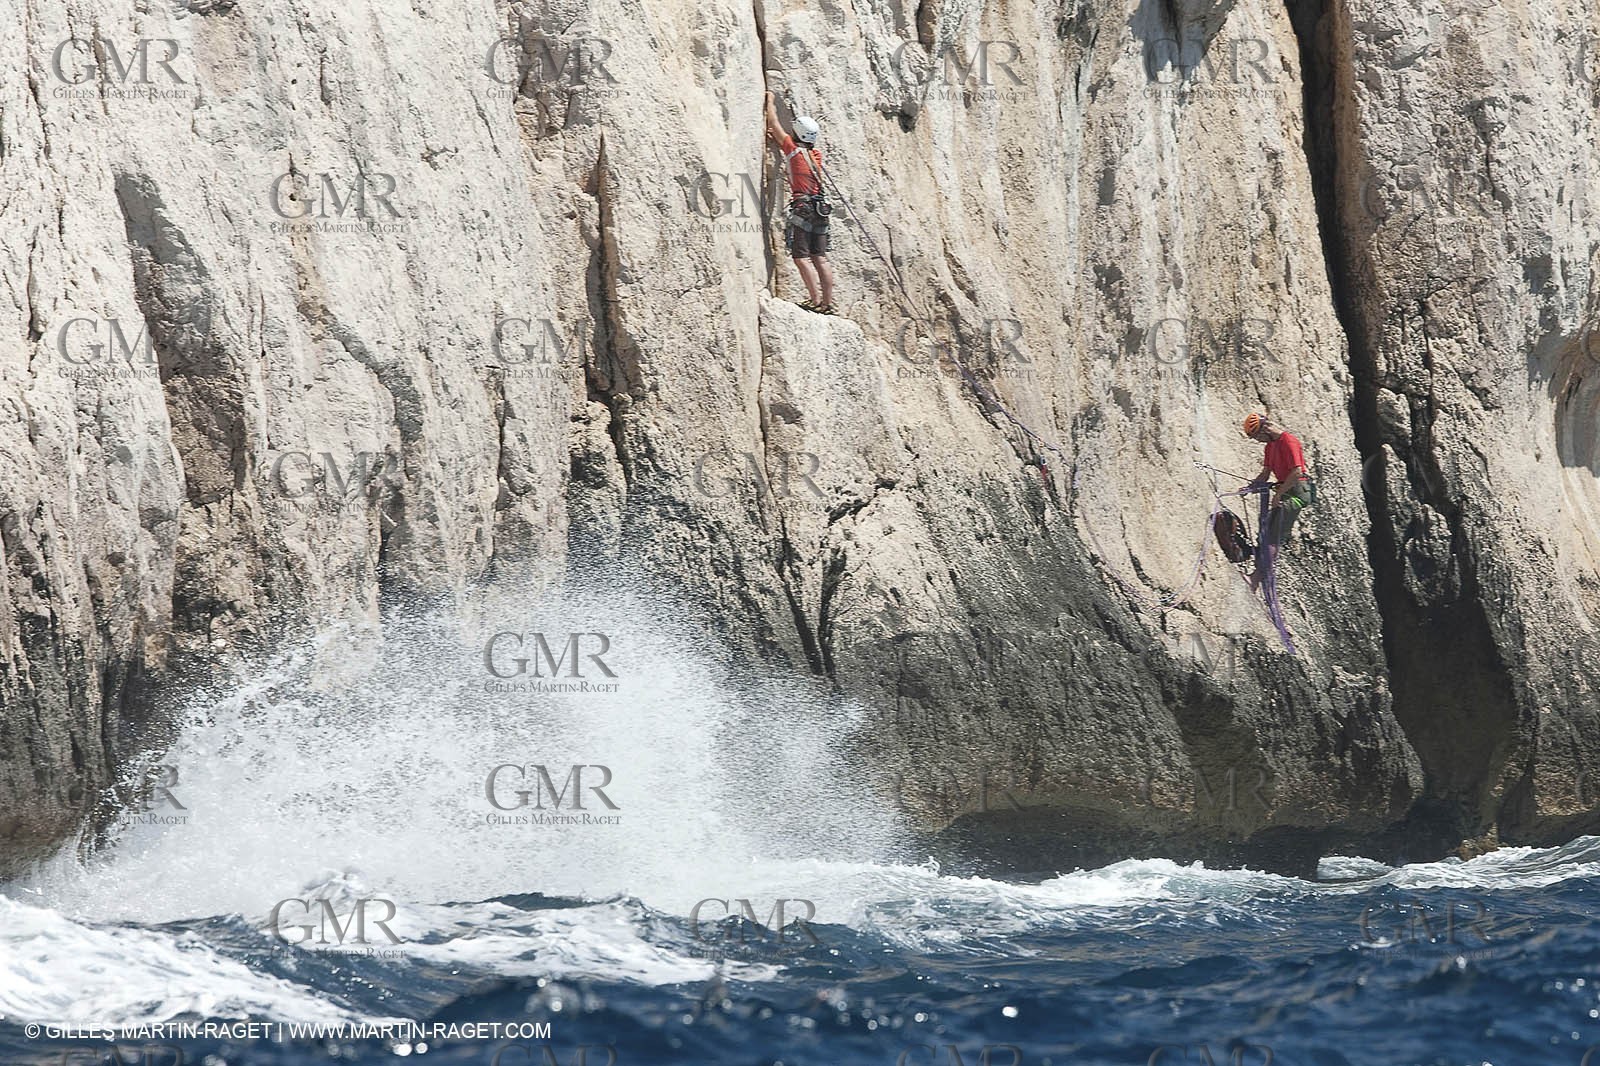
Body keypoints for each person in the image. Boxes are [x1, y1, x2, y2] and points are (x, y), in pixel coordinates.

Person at [764, 90, 835, 315]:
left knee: (801, 257)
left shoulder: (793, 151)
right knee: (820, 257)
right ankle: (827, 303)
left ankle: (814, 300)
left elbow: (773, 122)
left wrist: (770, 100)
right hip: (820, 207)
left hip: (803, 208)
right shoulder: (816, 156)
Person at [1242, 412, 1314, 590]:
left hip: (1298, 493)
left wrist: (1278, 494)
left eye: (1258, 436)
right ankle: (1262, 573)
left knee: (1273, 535)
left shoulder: (1288, 441)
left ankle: (1256, 579)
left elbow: (1297, 472)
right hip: (1286, 489)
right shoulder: (1270, 447)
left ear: (1266, 428)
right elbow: (1265, 474)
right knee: (1266, 530)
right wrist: (1250, 487)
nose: (1258, 441)